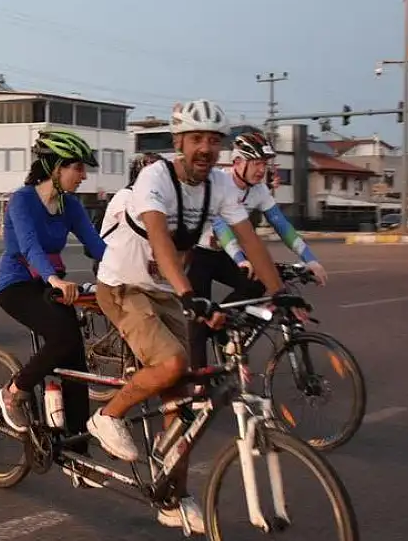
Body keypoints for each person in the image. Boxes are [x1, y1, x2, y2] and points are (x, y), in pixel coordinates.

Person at [92, 99, 297, 533]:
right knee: (171, 364)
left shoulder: (218, 187)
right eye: (196, 139)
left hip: (163, 290)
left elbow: (250, 240)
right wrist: (190, 295)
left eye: (213, 140)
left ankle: (172, 496)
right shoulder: (156, 177)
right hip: (122, 285)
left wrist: (280, 295)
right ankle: (107, 416)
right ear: (179, 141)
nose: (205, 148)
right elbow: (161, 240)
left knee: (183, 404)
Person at [0, 129, 105, 480]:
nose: (83, 175)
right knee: (64, 339)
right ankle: (13, 391)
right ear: (55, 167)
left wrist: (130, 270)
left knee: (76, 362)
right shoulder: (23, 200)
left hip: (52, 286)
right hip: (18, 285)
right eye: (77, 168)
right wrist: (53, 278)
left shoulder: (71, 205)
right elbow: (28, 246)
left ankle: (77, 453)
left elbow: (96, 245)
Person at [188, 131, 328, 367]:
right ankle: (200, 386)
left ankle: (227, 325)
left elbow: (282, 226)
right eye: (256, 163)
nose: (261, 170)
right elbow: (220, 225)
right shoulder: (220, 183)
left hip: (226, 256)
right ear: (238, 162)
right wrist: (241, 258)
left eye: (264, 164)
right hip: (200, 254)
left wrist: (310, 259)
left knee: (260, 282)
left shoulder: (259, 190)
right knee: (199, 321)